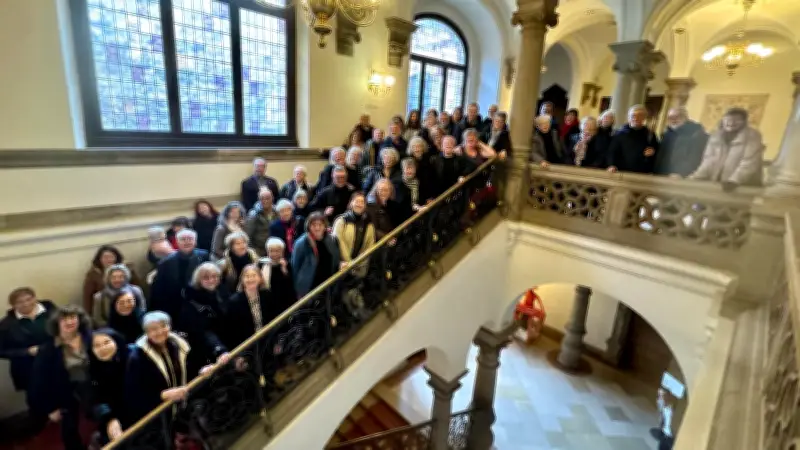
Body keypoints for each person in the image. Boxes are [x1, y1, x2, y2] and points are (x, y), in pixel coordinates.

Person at [28, 305, 93, 450]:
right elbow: (39, 382)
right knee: (70, 429)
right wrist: (50, 408)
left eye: (72, 317)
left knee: (97, 419)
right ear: (56, 323)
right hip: (65, 394)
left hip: (92, 387)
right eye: (64, 319)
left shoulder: (90, 337)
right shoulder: (48, 349)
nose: (69, 322)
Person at [124, 311, 198, 426]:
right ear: (146, 333)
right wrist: (162, 395)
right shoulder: (137, 357)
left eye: (163, 326)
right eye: (153, 329)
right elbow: (135, 392)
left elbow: (191, 367)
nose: (159, 332)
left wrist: (202, 371)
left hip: (183, 405)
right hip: (159, 416)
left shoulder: (178, 344)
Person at [689, 107, 764, 189]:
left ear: (744, 122)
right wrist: (696, 177)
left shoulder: (752, 136)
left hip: (743, 185)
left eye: (737, 120)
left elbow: (750, 162)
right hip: (719, 183)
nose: (731, 123)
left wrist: (734, 180)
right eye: (728, 119)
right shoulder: (716, 136)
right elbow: (709, 160)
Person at [177, 263, 231, 376]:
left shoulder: (222, 291)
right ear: (198, 280)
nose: (211, 280)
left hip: (224, 341)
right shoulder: (192, 300)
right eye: (206, 278)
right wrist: (219, 349)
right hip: (204, 349)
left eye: (215, 276)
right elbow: (202, 331)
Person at [0, 287, 56, 393]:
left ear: (35, 298)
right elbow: (2, 351)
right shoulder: (6, 325)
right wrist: (26, 352)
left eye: (29, 299)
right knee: (39, 399)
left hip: (56, 361)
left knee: (64, 392)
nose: (25, 304)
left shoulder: (51, 311)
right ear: (13, 305)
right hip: (29, 369)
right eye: (19, 302)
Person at [150, 229, 210, 320]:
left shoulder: (204, 256)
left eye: (190, 239)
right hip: (175, 303)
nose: (187, 242)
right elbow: (159, 289)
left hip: (200, 300)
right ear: (177, 242)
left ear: (195, 241)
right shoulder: (165, 262)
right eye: (183, 239)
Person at [224, 265, 284, 348]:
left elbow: (275, 320)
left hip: (267, 343)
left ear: (260, 278)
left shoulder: (267, 295)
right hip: (246, 346)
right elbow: (232, 330)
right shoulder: (234, 301)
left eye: (254, 275)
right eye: (247, 276)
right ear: (242, 280)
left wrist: (277, 342)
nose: (250, 279)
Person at [89, 329, 130, 443]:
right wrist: (110, 419)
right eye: (96, 346)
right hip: (110, 419)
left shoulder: (132, 360)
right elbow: (93, 401)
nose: (103, 348)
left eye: (107, 342)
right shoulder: (89, 371)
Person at [292, 212, 342, 298]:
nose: (317, 228)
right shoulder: (301, 243)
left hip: (329, 284)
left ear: (325, 226)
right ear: (308, 226)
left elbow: (336, 259)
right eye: (314, 225)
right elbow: (295, 267)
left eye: (320, 224)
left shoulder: (332, 240)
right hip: (309, 287)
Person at [82, 245, 141, 315]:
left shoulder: (128, 269)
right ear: (99, 259)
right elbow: (88, 298)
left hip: (129, 307)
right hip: (106, 310)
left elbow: (137, 287)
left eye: (111, 257)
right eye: (105, 257)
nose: (108, 260)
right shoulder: (93, 274)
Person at [654, 107, 709, 177]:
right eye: (670, 118)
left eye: (676, 117)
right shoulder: (668, 133)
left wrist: (681, 173)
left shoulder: (696, 133)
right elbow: (661, 154)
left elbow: (695, 157)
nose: (673, 120)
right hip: (663, 174)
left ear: (685, 117)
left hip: (682, 176)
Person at [607, 105, 659, 174]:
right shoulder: (619, 134)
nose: (636, 118)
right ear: (629, 118)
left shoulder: (650, 135)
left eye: (639, 116)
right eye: (633, 116)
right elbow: (612, 152)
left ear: (644, 118)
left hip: (642, 174)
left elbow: (656, 152)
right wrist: (611, 165)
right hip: (621, 172)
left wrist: (653, 152)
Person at [333, 192, 376, 271]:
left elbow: (370, 244)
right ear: (351, 203)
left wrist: (360, 262)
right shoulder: (341, 221)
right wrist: (349, 262)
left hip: (360, 266)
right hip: (342, 265)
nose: (359, 204)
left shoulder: (369, 224)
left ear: (365, 205)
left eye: (362, 202)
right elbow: (338, 242)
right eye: (356, 201)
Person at [258, 238, 297, 304]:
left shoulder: (287, 264)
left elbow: (291, 285)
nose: (274, 254)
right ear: (267, 252)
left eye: (277, 251)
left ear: (282, 251)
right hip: (267, 300)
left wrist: (284, 270)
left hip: (284, 300)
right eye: (271, 251)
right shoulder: (261, 264)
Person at [244, 189, 277, 256]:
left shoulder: (277, 211)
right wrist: (254, 252)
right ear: (258, 200)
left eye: (268, 198)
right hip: (260, 251)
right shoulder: (253, 215)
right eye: (262, 199)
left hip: (276, 249)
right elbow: (247, 236)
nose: (265, 201)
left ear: (272, 198)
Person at [407, 137, 436, 205]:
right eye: (414, 147)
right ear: (411, 149)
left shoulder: (429, 161)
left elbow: (433, 180)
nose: (417, 149)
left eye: (419, 146)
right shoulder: (407, 161)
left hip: (428, 196)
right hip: (413, 197)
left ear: (423, 148)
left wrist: (431, 197)